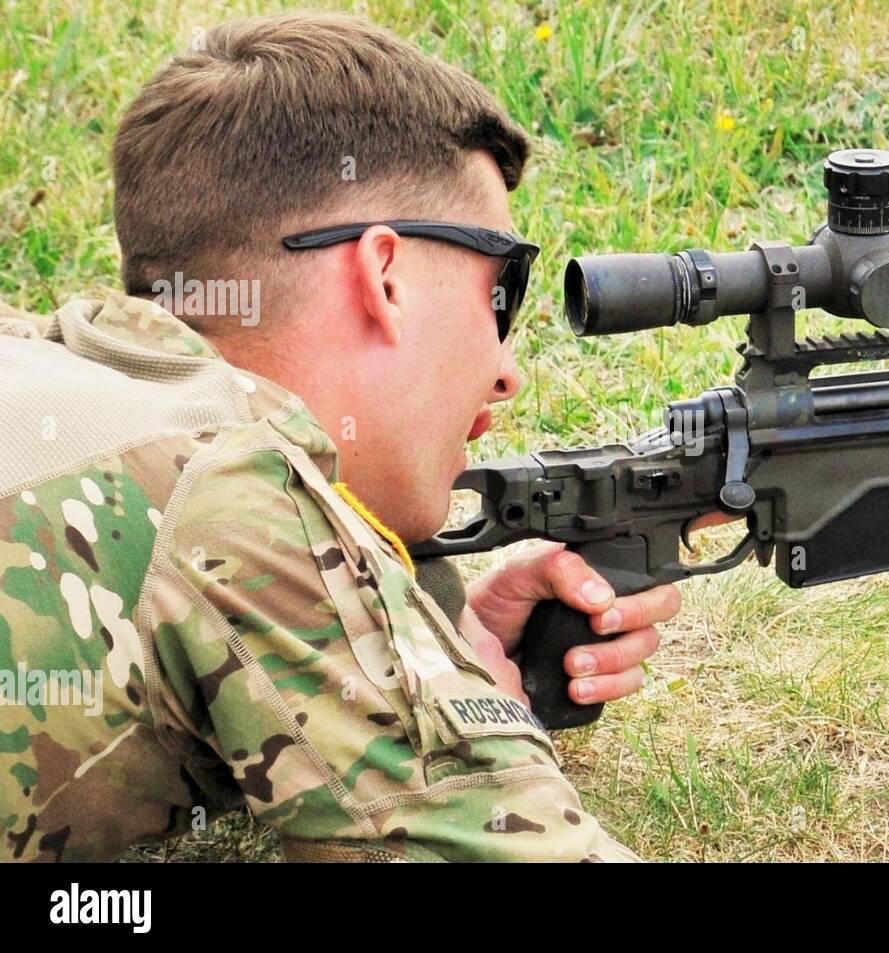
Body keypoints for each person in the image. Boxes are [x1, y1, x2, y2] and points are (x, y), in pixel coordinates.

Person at [0, 11, 684, 862]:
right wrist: (450, 719)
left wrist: (421, 643)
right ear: (384, 275)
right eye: (502, 289)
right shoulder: (230, 489)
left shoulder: (57, 380)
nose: (506, 371)